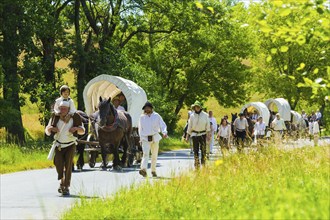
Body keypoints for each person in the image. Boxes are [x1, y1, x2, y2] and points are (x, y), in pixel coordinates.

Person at [45, 101, 85, 196]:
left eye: (64, 108)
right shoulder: (55, 117)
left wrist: (75, 129)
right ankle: (62, 180)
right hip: (59, 145)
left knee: (68, 166)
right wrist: (51, 129)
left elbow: (82, 131)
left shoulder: (75, 117)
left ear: (68, 109)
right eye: (61, 108)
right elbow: (47, 130)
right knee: (58, 163)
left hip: (70, 144)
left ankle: (66, 186)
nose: (62, 110)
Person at [138, 101, 167, 177]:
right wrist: (140, 138)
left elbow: (162, 124)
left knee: (154, 155)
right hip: (145, 138)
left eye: (148, 108)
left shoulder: (156, 116)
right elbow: (140, 129)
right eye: (145, 108)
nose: (147, 109)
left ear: (151, 108)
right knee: (145, 154)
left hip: (155, 137)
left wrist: (164, 132)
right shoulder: (142, 117)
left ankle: (153, 170)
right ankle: (143, 169)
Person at [186, 101, 211, 169]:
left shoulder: (205, 115)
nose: (197, 108)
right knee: (195, 150)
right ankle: (196, 163)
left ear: (200, 107)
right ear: (194, 108)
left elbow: (208, 125)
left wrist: (208, 135)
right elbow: (189, 126)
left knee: (203, 149)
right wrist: (187, 136)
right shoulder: (192, 116)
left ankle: (203, 162)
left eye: (198, 107)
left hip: (203, 134)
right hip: (194, 134)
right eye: (195, 107)